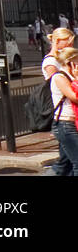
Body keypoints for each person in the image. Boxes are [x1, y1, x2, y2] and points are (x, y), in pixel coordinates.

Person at [49, 46, 78, 175]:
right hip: (64, 125)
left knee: (64, 165)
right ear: (70, 62)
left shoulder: (72, 76)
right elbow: (74, 97)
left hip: (73, 123)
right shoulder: (59, 77)